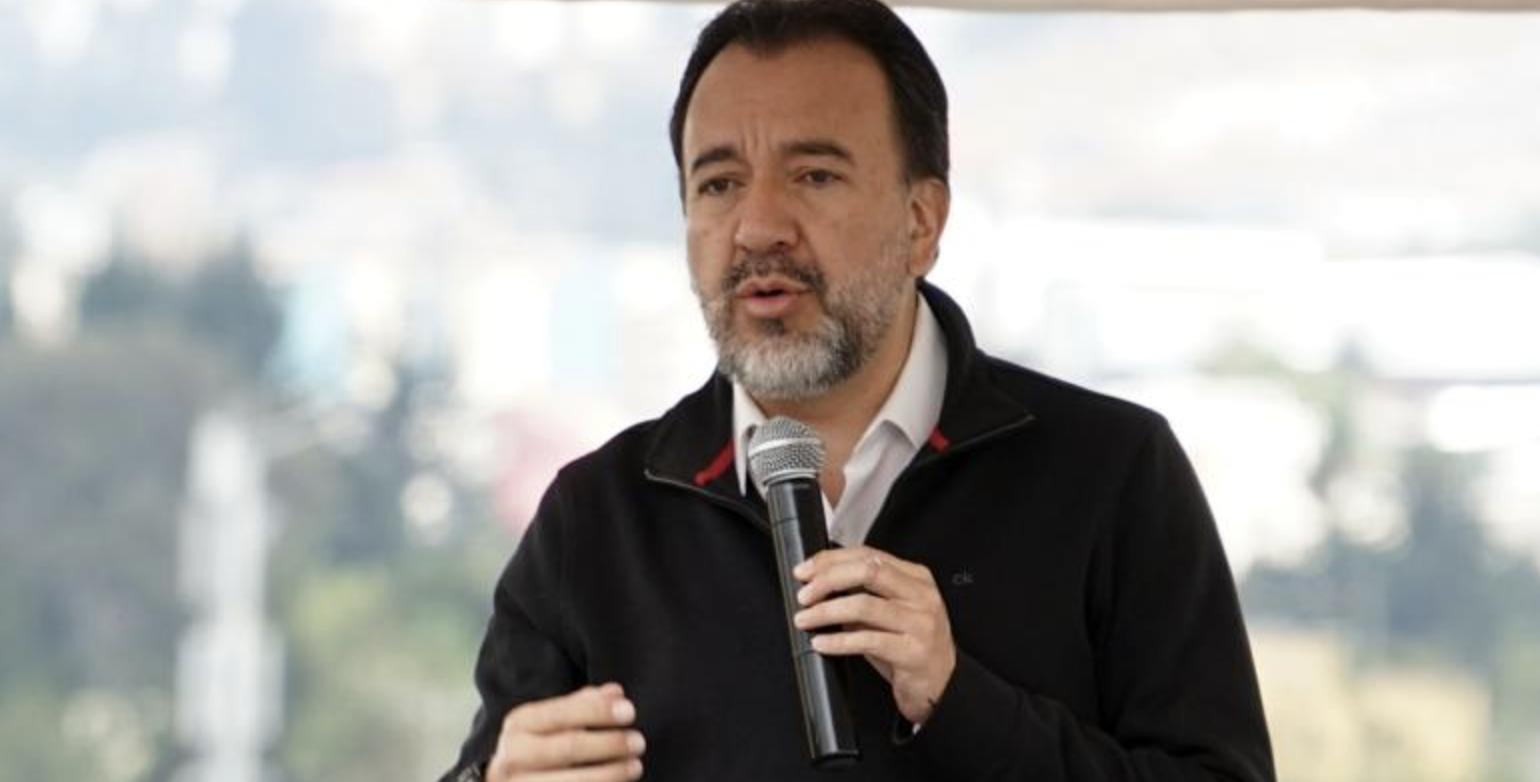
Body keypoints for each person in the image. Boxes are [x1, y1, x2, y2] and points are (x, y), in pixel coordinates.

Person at [442, 1, 1275, 780]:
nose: (758, 228)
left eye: (813, 175)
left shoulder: (1111, 472)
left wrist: (963, 703)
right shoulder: (596, 519)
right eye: (719, 184)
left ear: (922, 222)